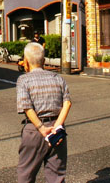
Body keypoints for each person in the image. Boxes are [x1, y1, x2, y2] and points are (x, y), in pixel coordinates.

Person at [16, 42, 71, 183]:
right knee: (56, 175)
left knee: (26, 174)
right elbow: (67, 103)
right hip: (56, 131)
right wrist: (57, 127)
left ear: (26, 61)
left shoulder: (23, 80)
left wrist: (42, 128)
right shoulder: (58, 78)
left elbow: (27, 107)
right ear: (44, 61)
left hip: (34, 130)